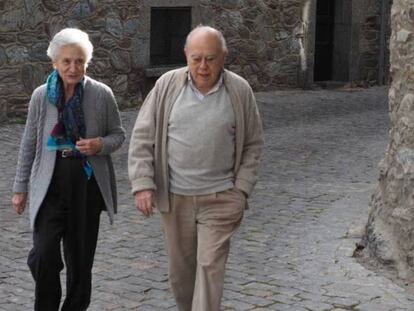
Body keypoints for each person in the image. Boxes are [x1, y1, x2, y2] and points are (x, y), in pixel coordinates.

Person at [128, 25, 264, 311]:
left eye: (211, 58)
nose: (203, 66)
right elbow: (143, 137)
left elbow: (253, 143)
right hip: (176, 199)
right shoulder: (167, 85)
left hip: (221, 198)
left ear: (223, 57)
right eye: (197, 58)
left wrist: (241, 190)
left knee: (209, 267)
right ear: (186, 55)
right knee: (182, 277)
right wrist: (143, 183)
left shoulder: (239, 90)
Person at [11, 28, 125, 311]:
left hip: (86, 185)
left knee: (80, 260)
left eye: (79, 61)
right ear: (55, 63)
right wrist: (20, 188)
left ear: (87, 62)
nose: (73, 68)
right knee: (44, 253)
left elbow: (118, 135)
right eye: (66, 62)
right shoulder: (41, 96)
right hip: (49, 183)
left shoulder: (101, 94)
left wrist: (100, 144)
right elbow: (29, 143)